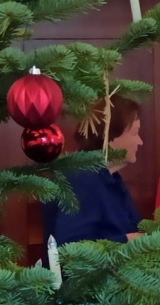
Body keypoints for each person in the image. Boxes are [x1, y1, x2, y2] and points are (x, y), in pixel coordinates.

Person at [44, 96, 143, 246]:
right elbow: (70, 247)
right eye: (135, 132)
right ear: (111, 137)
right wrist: (128, 240)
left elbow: (137, 229)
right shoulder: (82, 179)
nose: (140, 141)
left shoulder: (111, 178)